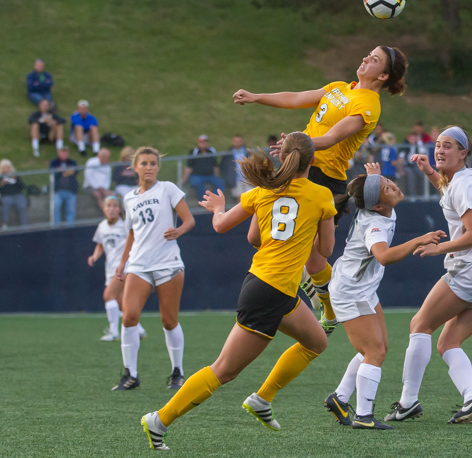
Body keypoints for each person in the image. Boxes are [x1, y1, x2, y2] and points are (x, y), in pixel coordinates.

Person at [140, 132, 335, 450]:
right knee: (224, 370)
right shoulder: (322, 195)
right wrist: (312, 226)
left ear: (283, 157)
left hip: (271, 287)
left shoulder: (262, 191)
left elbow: (238, 232)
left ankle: (262, 398)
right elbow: (325, 250)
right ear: (313, 161)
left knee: (316, 342)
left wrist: (218, 206)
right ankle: (159, 420)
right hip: (270, 291)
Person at [232, 45, 408, 336]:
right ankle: (308, 281)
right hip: (298, 164)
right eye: (368, 53)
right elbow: (297, 98)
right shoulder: (340, 87)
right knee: (256, 237)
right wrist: (256, 97)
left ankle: (328, 310)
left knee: (316, 258)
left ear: (384, 75)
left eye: (374, 59)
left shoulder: (369, 104)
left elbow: (331, 137)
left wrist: (301, 143)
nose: (365, 58)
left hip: (324, 177)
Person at [386, 126, 472, 425]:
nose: (439, 150)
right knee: (447, 343)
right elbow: (448, 191)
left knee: (420, 324)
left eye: (448, 146)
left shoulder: (463, 185)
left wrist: (440, 249)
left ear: (463, 153)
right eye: (437, 145)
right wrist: (429, 172)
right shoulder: (464, 180)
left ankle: (407, 402)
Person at [324, 163, 446, 430]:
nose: (393, 185)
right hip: (351, 291)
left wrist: (374, 177)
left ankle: (340, 398)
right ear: (377, 206)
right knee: (374, 351)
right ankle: (363, 416)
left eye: (389, 182)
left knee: (378, 349)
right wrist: (419, 240)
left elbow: (372, 194)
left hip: (361, 288)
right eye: (387, 188)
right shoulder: (376, 222)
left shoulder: (377, 207)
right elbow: (384, 256)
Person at [112, 146, 195, 391]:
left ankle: (177, 372)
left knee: (169, 321)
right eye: (144, 163)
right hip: (139, 264)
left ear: (158, 167)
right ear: (134, 167)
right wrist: (122, 261)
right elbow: (131, 232)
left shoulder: (167, 188)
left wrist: (179, 230)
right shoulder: (129, 197)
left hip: (168, 263)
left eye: (152, 163)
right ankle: (130, 374)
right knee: (129, 317)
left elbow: (189, 219)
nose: (148, 167)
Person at [88, 196, 148, 342]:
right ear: (103, 209)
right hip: (110, 269)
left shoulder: (125, 226)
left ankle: (114, 331)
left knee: (108, 295)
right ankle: (139, 329)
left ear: (120, 209)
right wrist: (95, 256)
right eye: (108, 206)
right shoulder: (102, 226)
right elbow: (100, 244)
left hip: (125, 267)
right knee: (121, 303)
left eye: (115, 206)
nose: (112, 209)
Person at [181, 135, 225, 201]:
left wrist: (217, 176)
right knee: (196, 182)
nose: (204, 144)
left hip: (210, 176)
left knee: (220, 182)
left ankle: (215, 200)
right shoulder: (194, 152)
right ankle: (205, 200)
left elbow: (215, 166)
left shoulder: (211, 151)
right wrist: (183, 179)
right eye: (202, 142)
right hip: (197, 176)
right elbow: (189, 167)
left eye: (205, 142)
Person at [50, 147, 79, 225]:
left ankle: (70, 228)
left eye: (65, 152)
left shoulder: (72, 162)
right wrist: (67, 172)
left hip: (71, 191)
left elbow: (76, 171)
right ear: (58, 153)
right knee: (56, 206)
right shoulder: (54, 162)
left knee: (71, 209)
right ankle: (56, 227)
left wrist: (62, 172)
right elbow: (55, 173)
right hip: (58, 191)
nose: (64, 154)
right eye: (62, 152)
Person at [0, 160, 28, 229]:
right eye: (4, 167)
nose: (6, 169)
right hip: (6, 195)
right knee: (6, 203)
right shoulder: (0, 177)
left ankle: (25, 225)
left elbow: (21, 187)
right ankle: (5, 224)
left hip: (17, 195)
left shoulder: (15, 175)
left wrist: (15, 179)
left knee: (22, 204)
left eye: (7, 167)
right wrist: (2, 182)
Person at [398, 132, 428, 197]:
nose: (412, 140)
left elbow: (422, 153)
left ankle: (422, 194)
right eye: (411, 138)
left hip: (415, 165)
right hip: (406, 166)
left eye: (414, 138)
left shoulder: (418, 145)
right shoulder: (405, 146)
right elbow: (401, 159)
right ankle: (412, 194)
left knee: (421, 173)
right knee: (410, 174)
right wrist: (400, 170)